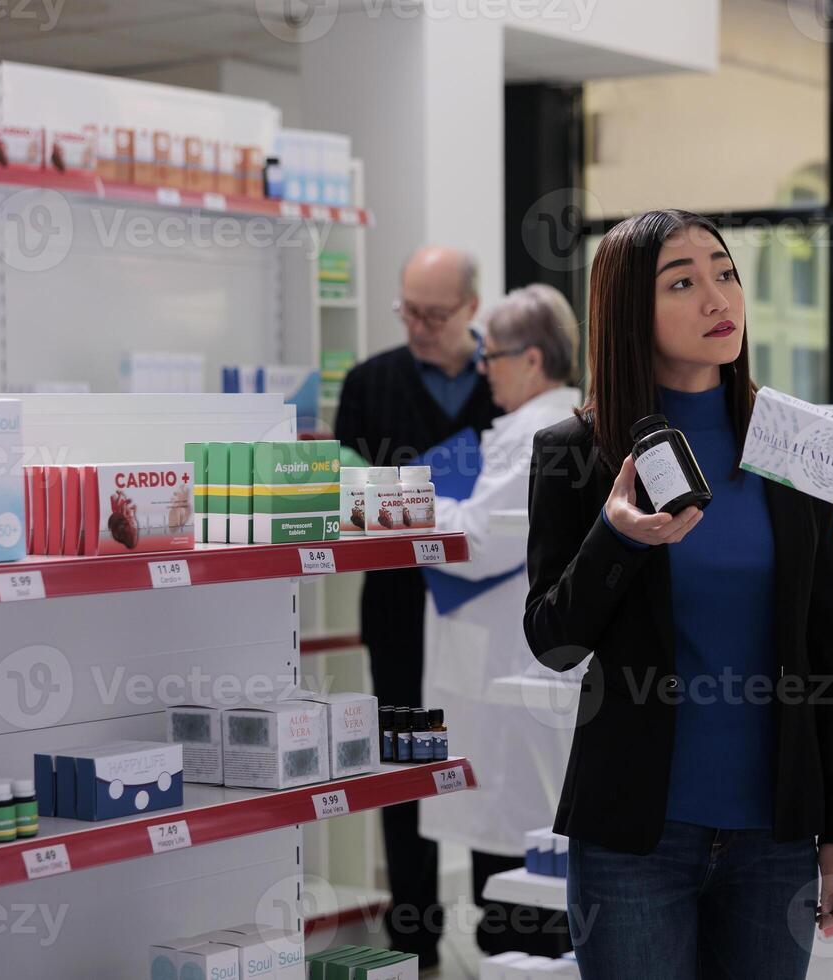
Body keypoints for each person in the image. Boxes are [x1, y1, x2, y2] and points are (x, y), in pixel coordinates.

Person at [523, 209, 833, 979]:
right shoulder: (574, 454)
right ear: (627, 313)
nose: (719, 299)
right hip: (634, 841)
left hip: (774, 840)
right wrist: (617, 540)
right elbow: (553, 640)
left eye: (725, 272)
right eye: (683, 282)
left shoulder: (791, 446)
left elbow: (829, 645)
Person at [333, 245, 502, 969]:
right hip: (402, 611)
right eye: (409, 310)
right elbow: (340, 498)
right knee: (406, 766)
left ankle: (508, 930)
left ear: (472, 308)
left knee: (496, 760)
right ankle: (415, 937)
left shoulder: (513, 378)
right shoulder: (370, 383)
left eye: (435, 313)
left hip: (494, 614)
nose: (419, 326)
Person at [419, 284, 583, 956]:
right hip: (502, 660)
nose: (482, 366)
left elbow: (481, 541)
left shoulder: (541, 434)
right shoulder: (530, 427)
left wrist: (410, 502)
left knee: (516, 840)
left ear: (535, 359)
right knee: (510, 826)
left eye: (494, 355)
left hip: (513, 668)